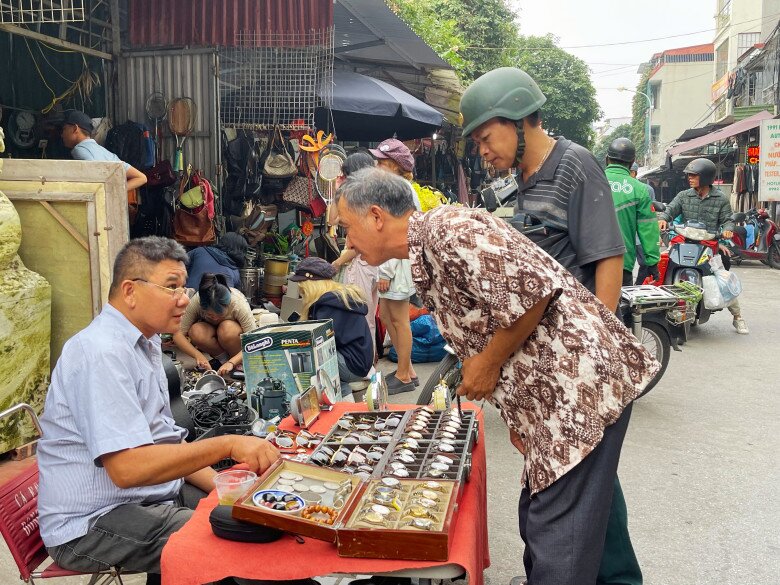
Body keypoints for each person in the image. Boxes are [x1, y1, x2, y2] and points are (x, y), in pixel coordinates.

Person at [336, 167, 660, 585]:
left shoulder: (448, 230)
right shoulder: (430, 245)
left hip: (578, 389)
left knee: (557, 536)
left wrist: (486, 364)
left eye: (347, 227)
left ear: (376, 216)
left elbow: (535, 292)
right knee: (549, 513)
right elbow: (491, 320)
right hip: (554, 395)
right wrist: (517, 415)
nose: (348, 242)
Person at [459, 66, 639, 585]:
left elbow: (607, 260)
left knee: (576, 482)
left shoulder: (575, 164)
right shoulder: (523, 181)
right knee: (586, 478)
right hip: (550, 367)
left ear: (517, 119)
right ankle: (618, 578)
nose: (482, 151)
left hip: (581, 362)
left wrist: (597, 358)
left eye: (486, 137)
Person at [36, 236, 279, 585]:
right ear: (130, 291)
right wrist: (227, 445)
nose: (184, 299)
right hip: (93, 521)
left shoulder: (146, 343)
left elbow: (166, 441)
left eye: (184, 286)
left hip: (149, 495)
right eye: (171, 287)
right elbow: (127, 469)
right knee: (238, 545)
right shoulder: (101, 353)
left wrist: (230, 492)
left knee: (255, 515)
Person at [657, 158, 748, 334]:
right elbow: (670, 210)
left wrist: (729, 230)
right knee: (662, 265)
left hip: (709, 245)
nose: (689, 178)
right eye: (689, 175)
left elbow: (728, 220)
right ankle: (659, 307)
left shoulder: (720, 199)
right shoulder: (684, 195)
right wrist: (662, 219)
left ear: (705, 177)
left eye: (693, 175)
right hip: (685, 242)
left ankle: (738, 317)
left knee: (723, 278)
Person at [368, 138, 421, 394]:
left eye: (381, 161)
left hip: (397, 265)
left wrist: (385, 270)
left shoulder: (396, 190)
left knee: (399, 319)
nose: (376, 165)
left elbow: (394, 232)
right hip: (398, 262)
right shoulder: (398, 187)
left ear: (393, 165)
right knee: (388, 315)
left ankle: (403, 375)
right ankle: (407, 369)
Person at [290, 257, 373, 399]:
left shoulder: (327, 305)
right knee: (337, 379)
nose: (300, 291)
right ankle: (346, 409)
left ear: (311, 284)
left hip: (351, 364)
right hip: (360, 361)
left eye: (302, 287)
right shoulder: (339, 297)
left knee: (305, 361)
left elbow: (321, 343)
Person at [332, 152, 380, 354]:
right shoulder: (370, 195)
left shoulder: (363, 200)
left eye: (345, 174)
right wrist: (337, 190)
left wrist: (338, 262)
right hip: (370, 264)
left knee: (362, 318)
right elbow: (333, 220)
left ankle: (366, 366)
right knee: (366, 316)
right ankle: (369, 363)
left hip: (362, 263)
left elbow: (360, 242)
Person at [173, 273, 256, 376]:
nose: (215, 318)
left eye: (220, 314)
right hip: (211, 335)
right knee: (196, 331)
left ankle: (238, 362)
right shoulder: (197, 301)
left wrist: (232, 362)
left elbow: (254, 341)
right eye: (210, 315)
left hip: (232, 338)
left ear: (228, 304)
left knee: (227, 328)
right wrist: (198, 355)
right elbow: (177, 334)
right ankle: (222, 360)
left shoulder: (238, 303)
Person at [605, 138, 661, 286]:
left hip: (587, 260)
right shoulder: (639, 189)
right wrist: (652, 262)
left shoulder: (590, 180)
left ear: (606, 159)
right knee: (621, 305)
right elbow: (648, 229)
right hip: (621, 262)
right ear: (632, 162)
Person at [59, 109, 148, 191]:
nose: (62, 135)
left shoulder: (80, 150)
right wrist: (113, 192)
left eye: (64, 129)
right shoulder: (103, 152)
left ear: (75, 129)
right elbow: (141, 178)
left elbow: (93, 180)